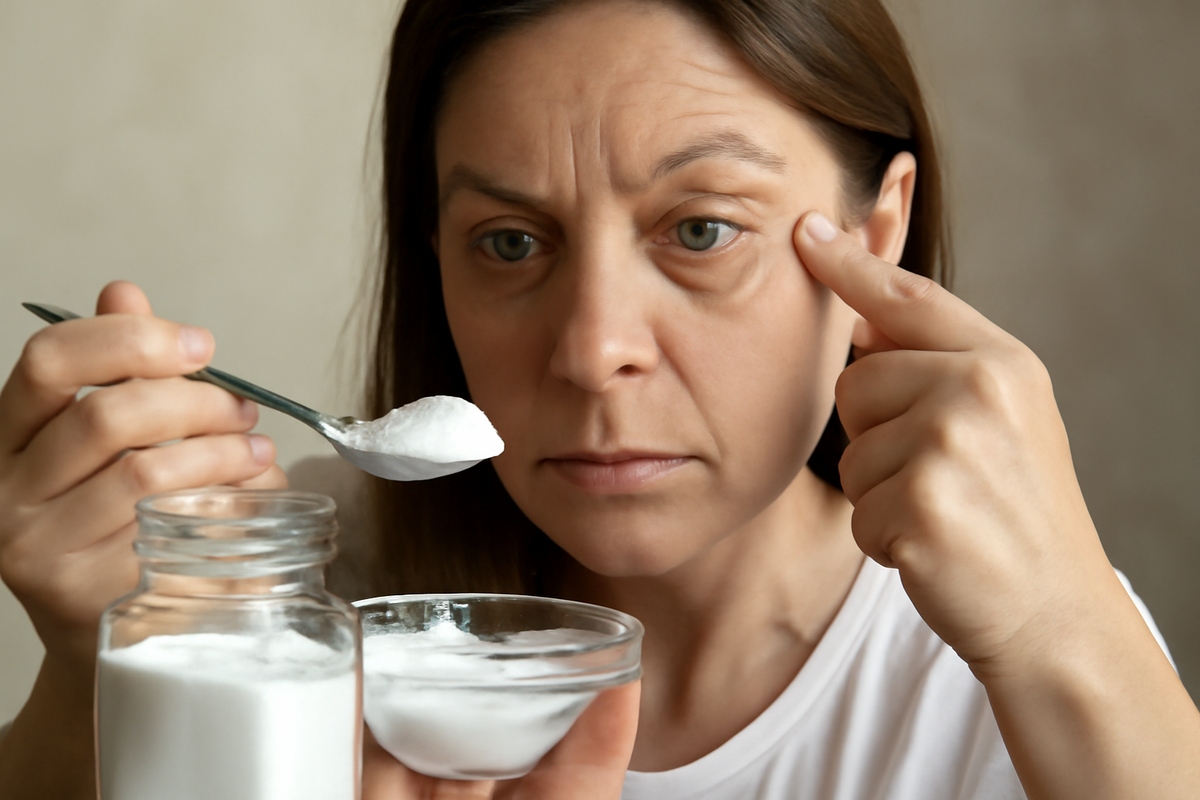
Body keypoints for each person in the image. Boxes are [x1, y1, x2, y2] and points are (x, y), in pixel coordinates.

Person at [1, 0, 1197, 798]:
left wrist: (1062, 634)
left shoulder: (1008, 653)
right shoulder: (289, 605)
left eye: (701, 229)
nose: (593, 348)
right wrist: (93, 665)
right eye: (511, 242)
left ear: (878, 235)